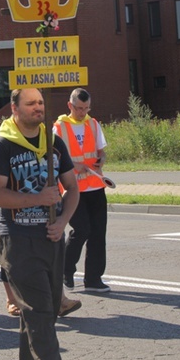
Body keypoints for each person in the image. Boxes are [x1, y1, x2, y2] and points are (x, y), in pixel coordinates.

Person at [0, 88, 80, 360]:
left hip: (50, 239)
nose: (37, 108)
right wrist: (39, 199)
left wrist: (62, 223)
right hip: (17, 239)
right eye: (30, 103)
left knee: (42, 315)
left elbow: (72, 189)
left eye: (40, 103)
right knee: (38, 313)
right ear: (15, 109)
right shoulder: (2, 146)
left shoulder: (54, 143)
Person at [54, 88, 111, 293]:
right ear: (70, 106)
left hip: (95, 186)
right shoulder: (59, 128)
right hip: (72, 189)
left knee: (98, 232)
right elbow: (54, 159)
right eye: (79, 108)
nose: (83, 112)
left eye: (86, 108)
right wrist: (72, 165)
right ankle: (66, 270)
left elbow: (101, 152)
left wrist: (101, 160)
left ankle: (94, 279)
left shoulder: (93, 124)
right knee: (82, 230)